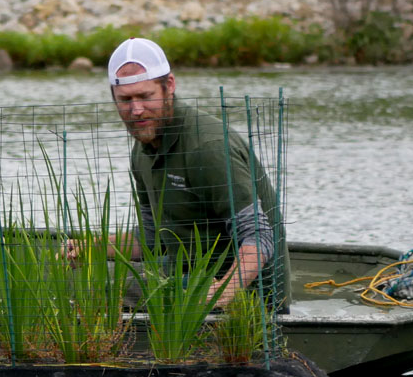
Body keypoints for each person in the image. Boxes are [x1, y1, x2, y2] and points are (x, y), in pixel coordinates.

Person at [104, 37, 289, 310]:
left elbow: (259, 236)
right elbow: (152, 239)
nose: (136, 110)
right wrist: (91, 249)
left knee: (116, 295)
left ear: (169, 86)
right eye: (125, 100)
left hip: (252, 298)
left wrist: (223, 292)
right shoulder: (142, 150)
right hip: (186, 277)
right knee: (99, 287)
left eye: (145, 96)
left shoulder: (208, 148)